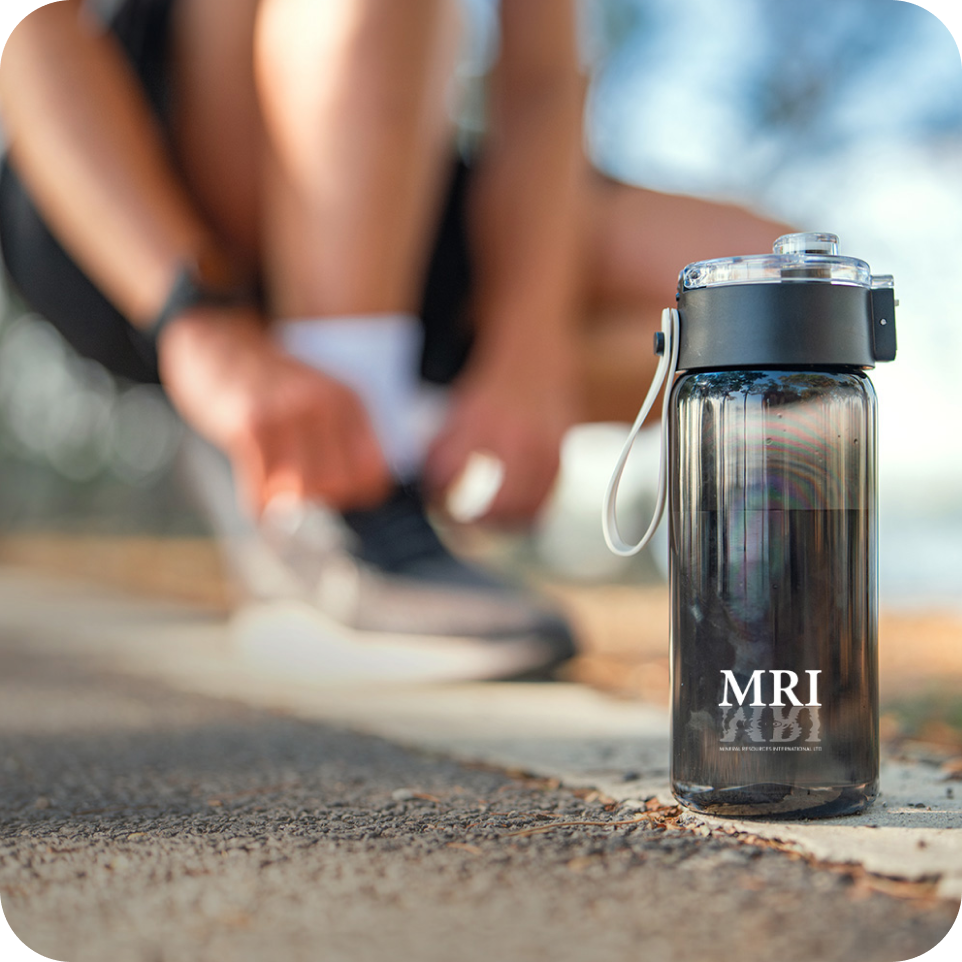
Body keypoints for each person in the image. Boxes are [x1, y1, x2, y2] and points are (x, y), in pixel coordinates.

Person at [0, 0, 789, 680]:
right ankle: (333, 507)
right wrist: (197, 321)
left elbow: (543, 83)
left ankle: (362, 425)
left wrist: (527, 349)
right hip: (125, 192)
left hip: (375, 164)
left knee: (779, 302)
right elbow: (33, 37)